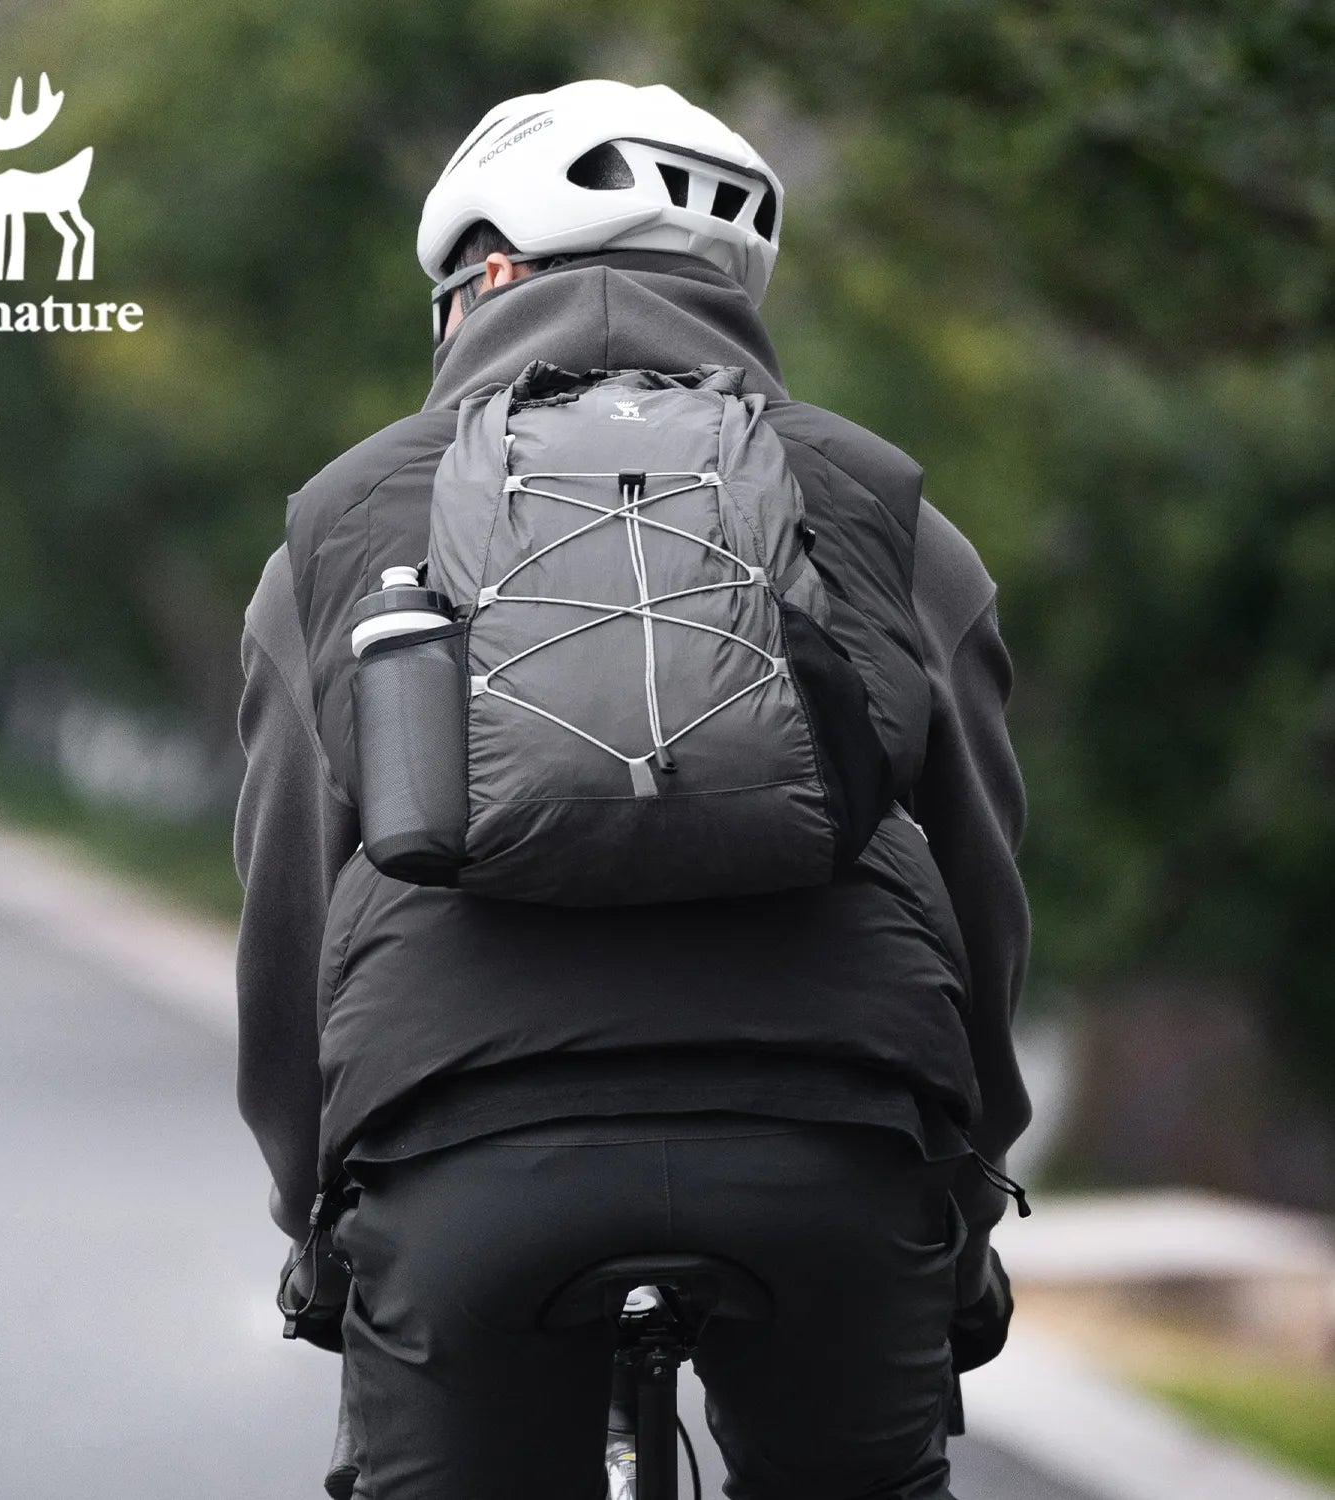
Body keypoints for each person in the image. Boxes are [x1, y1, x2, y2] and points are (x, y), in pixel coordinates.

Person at [234, 80, 1031, 1499]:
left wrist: (316, 1209)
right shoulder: (881, 501)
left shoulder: (340, 521)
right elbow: (985, 891)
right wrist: (965, 1190)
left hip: (465, 1162)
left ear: (482, 278)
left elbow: (290, 910)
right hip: (834, 1151)